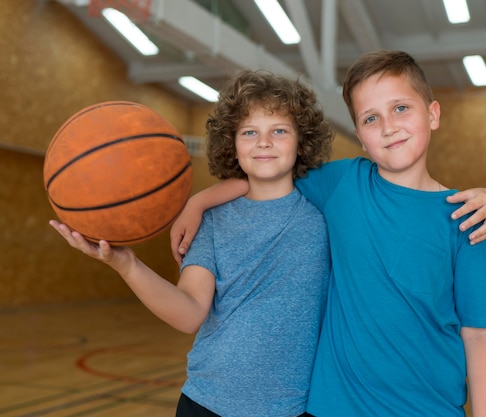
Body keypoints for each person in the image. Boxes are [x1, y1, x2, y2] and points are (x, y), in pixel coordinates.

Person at [170, 51, 486, 416]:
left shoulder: (466, 216)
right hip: (332, 407)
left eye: (401, 108)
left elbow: (479, 335)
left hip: (427, 408)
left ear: (433, 114)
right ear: (360, 136)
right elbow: (268, 171)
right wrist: (198, 203)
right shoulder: (342, 182)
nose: (388, 126)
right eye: (371, 118)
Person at [49, 70, 335, 417]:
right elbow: (188, 314)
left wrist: (197, 199)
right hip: (206, 402)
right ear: (231, 144)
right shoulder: (212, 222)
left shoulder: (325, 214)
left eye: (279, 130)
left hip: (290, 407)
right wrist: (127, 264)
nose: (264, 142)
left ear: (301, 141)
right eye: (249, 132)